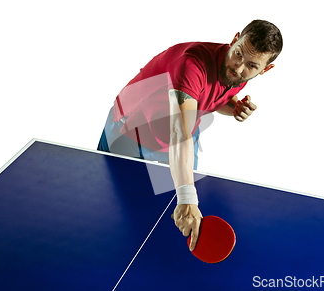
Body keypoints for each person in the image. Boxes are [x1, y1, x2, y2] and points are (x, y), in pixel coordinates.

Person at [97, 19, 283, 251]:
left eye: (251, 65)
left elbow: (214, 96)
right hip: (131, 128)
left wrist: (233, 106)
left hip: (174, 130)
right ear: (235, 39)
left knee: (168, 210)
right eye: (238, 54)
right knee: (113, 208)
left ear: (265, 69)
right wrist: (186, 197)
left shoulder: (238, 73)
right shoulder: (191, 64)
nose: (238, 67)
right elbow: (180, 131)